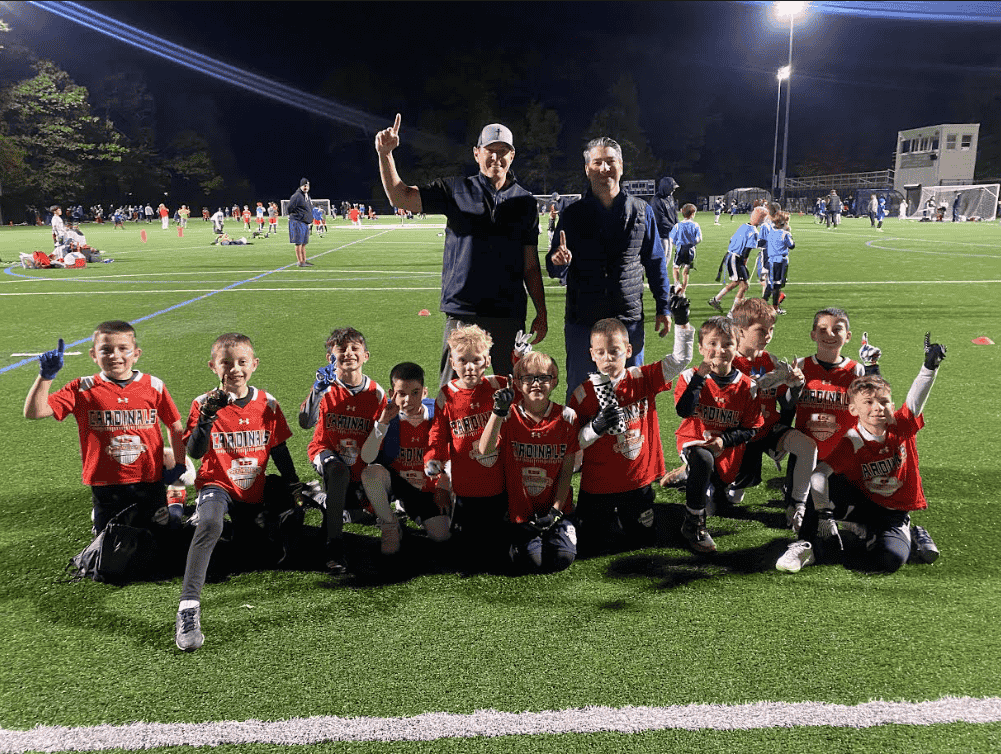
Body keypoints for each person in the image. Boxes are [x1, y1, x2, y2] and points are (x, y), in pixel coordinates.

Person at [376, 114, 548, 387]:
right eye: (490, 151)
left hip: (508, 314)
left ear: (512, 156)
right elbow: (401, 196)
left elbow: (530, 264)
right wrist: (385, 155)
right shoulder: (454, 189)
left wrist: (542, 311)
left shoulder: (525, 202)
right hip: (463, 314)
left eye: (502, 152)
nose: (496, 158)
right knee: (453, 399)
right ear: (477, 153)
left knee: (504, 397)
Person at [175, 333, 306, 651]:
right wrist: (206, 417)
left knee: (264, 548)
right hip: (217, 484)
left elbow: (278, 446)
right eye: (226, 363)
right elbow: (195, 450)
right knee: (211, 525)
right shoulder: (202, 403)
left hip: (254, 488)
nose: (235, 369)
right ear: (212, 366)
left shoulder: (268, 403)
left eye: (242, 362)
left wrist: (293, 482)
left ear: (254, 365)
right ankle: (188, 609)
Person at [23, 321, 187, 557]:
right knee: (112, 555)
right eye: (106, 350)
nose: (115, 356)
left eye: (123, 349)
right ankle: (101, 519)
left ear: (136, 354)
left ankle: (176, 503)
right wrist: (45, 377)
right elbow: (34, 411)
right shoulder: (82, 388)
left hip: (149, 480)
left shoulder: (154, 385)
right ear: (93, 355)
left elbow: (174, 426)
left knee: (164, 544)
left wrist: (179, 464)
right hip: (106, 484)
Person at [546, 137, 673, 402]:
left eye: (610, 161)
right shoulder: (573, 214)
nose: (604, 168)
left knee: (630, 395)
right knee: (582, 396)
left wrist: (664, 306)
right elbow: (554, 267)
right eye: (597, 162)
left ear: (621, 166)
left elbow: (655, 262)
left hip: (628, 319)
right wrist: (558, 263)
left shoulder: (642, 211)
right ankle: (581, 445)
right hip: (584, 320)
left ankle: (631, 446)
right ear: (587, 169)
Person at [808, 333, 947, 573]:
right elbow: (819, 474)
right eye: (869, 404)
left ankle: (907, 534)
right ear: (853, 410)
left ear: (892, 407)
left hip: (893, 513)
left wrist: (929, 367)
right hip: (863, 501)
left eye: (885, 403)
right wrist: (824, 514)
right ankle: (806, 543)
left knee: (888, 561)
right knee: (820, 493)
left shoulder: (901, 425)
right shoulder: (853, 439)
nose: (878, 409)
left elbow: (915, 399)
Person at [568, 311, 695, 556]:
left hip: (636, 480)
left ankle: (631, 513)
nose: (608, 358)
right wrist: (595, 428)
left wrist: (681, 323)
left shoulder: (642, 378)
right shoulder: (583, 394)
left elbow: (680, 360)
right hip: (598, 485)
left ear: (628, 350)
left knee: (642, 540)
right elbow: (574, 443)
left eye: (614, 351)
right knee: (591, 544)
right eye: (601, 352)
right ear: (592, 355)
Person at [775, 308, 881, 572]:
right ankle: (812, 538)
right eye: (822, 329)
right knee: (801, 520)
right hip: (805, 462)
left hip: (841, 463)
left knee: (860, 513)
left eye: (837, 329)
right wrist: (793, 386)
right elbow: (786, 410)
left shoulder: (856, 370)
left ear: (848, 336)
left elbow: (876, 409)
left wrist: (871, 369)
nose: (829, 334)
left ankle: (861, 522)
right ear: (813, 334)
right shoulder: (800, 366)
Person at [478, 350, 580, 573]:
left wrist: (555, 511)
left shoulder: (567, 417)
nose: (536, 384)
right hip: (520, 509)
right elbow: (484, 449)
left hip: (555, 508)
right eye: (528, 378)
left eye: (543, 377)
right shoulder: (509, 415)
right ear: (517, 383)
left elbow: (566, 472)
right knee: (530, 561)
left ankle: (558, 530)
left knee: (563, 557)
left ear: (554, 381)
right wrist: (497, 411)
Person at [673, 316, 763, 553]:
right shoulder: (688, 377)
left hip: (728, 448)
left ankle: (695, 477)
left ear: (737, 347)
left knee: (721, 505)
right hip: (695, 441)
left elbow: (752, 428)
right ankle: (693, 523)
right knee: (702, 459)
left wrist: (724, 440)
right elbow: (685, 411)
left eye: (727, 344)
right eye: (712, 344)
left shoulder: (748, 386)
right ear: (701, 347)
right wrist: (699, 379)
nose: (719, 350)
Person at [424, 325, 510, 568]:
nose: (470, 367)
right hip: (464, 488)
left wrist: (518, 356)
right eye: (463, 360)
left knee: (499, 553)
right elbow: (438, 435)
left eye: (476, 360)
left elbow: (524, 381)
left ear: (487, 361)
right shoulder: (446, 395)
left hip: (498, 486)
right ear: (452, 362)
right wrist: (433, 458)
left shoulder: (498, 386)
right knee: (465, 554)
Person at [727, 299, 816, 528]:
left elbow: (786, 405)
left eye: (771, 330)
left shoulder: (770, 360)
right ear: (740, 331)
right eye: (761, 330)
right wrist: (762, 383)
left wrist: (796, 386)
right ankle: (716, 482)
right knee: (728, 498)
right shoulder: (727, 361)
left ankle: (797, 505)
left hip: (768, 429)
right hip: (738, 435)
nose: (768, 335)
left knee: (807, 446)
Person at [306, 327, 387, 574]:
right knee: (338, 471)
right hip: (326, 452)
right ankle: (334, 545)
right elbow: (305, 422)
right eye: (341, 349)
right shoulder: (325, 387)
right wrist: (316, 392)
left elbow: (380, 437)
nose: (348, 353)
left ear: (366, 356)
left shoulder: (376, 392)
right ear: (331, 356)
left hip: (361, 464)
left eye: (355, 348)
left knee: (366, 514)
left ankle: (319, 497)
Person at [360, 362, 453, 554]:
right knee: (370, 473)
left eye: (415, 393)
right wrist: (383, 423)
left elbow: (452, 454)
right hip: (398, 482)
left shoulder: (437, 414)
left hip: (426, 487)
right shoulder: (387, 415)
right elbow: (367, 457)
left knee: (442, 535)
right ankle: (389, 524)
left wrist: (443, 484)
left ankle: (408, 508)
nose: (408, 400)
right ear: (391, 393)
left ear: (425, 392)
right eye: (401, 393)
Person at [708, 206, 767, 316]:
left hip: (730, 255)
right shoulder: (754, 232)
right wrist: (743, 263)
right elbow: (747, 250)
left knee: (737, 282)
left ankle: (716, 299)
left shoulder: (743, 226)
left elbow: (731, 239)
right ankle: (732, 313)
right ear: (761, 219)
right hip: (736, 258)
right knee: (744, 285)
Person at [763, 210, 794, 314]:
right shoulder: (785, 234)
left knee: (771, 283)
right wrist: (789, 233)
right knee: (778, 284)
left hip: (771, 260)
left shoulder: (771, 232)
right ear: (784, 223)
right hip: (781, 261)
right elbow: (791, 245)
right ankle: (775, 307)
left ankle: (762, 304)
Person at [669, 203, 702, 298]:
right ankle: (683, 291)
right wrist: (692, 244)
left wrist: (677, 244)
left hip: (680, 249)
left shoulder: (678, 225)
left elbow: (671, 239)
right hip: (691, 250)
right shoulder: (695, 225)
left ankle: (677, 284)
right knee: (686, 271)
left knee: (676, 267)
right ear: (692, 214)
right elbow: (699, 239)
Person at [288, 178, 314, 267]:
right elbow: (289, 208)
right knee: (298, 242)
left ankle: (304, 261)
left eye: (307, 185)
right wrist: (298, 215)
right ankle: (300, 262)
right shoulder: (297, 196)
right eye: (304, 185)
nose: (306, 187)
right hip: (298, 221)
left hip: (304, 222)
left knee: (303, 243)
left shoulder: (306, 196)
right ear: (301, 186)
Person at [652, 176, 679, 260]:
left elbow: (674, 212)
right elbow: (661, 219)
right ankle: (657, 273)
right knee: (661, 258)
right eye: (672, 188)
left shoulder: (670, 197)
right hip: (660, 234)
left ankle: (663, 273)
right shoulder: (656, 200)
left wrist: (677, 224)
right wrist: (674, 227)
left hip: (669, 232)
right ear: (665, 187)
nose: (674, 190)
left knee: (668, 257)